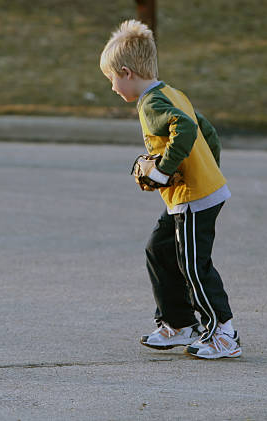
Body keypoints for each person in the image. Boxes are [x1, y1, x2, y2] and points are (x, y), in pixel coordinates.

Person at [100, 20, 241, 359]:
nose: (113, 87)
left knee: (193, 264)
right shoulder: (171, 93)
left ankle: (224, 332)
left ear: (126, 72)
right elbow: (208, 131)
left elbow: (187, 127)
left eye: (112, 80)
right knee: (160, 248)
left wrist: (164, 171)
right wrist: (206, 170)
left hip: (194, 197)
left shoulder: (151, 104)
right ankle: (179, 323)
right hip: (192, 195)